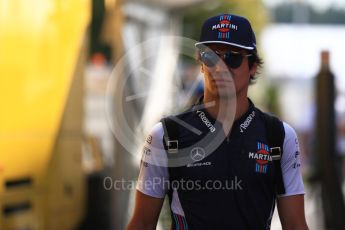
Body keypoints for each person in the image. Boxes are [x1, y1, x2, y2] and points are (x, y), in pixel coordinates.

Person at [127, 14, 308, 230]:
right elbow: (142, 223)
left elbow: (296, 225)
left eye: (233, 57)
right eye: (211, 56)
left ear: (252, 66)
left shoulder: (279, 136)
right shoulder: (166, 136)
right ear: (201, 63)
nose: (220, 66)